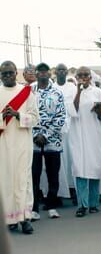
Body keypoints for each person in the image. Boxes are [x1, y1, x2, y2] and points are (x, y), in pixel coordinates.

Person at [0, 61, 39, 234]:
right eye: (4, 73)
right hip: (3, 143)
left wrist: (17, 115)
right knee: (6, 180)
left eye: (10, 72)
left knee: (23, 179)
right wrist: (3, 117)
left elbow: (35, 118)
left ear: (16, 73)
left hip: (22, 142)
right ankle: (10, 218)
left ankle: (25, 218)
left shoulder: (26, 92)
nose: (7, 76)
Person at [67, 66, 101, 217]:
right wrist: (79, 91)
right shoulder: (72, 91)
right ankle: (82, 205)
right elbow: (72, 111)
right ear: (77, 76)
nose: (83, 77)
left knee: (94, 168)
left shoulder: (98, 92)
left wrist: (100, 112)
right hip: (78, 135)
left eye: (86, 75)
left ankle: (93, 203)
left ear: (90, 77)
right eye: (80, 75)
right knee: (80, 169)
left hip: (94, 135)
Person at [31, 62, 66, 220]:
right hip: (33, 142)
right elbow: (25, 114)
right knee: (34, 174)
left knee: (53, 174)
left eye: (46, 71)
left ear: (49, 74)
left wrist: (46, 135)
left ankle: (52, 205)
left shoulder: (57, 93)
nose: (43, 74)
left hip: (52, 141)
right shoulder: (29, 92)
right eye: (40, 71)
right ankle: (34, 208)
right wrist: (35, 135)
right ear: (36, 74)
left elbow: (61, 116)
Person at [53, 64, 77, 204]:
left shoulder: (72, 88)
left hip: (71, 128)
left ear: (67, 72)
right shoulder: (52, 88)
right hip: (57, 131)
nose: (61, 72)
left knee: (72, 159)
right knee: (60, 161)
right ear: (55, 72)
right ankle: (59, 192)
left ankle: (73, 190)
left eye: (63, 70)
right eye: (59, 70)